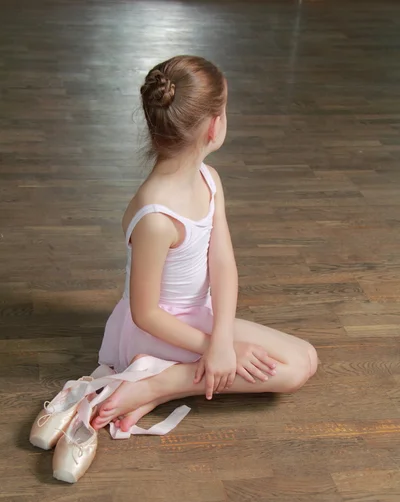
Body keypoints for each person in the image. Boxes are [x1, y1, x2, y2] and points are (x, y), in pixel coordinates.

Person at [92, 55, 318, 433]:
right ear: (215, 127)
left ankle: (160, 390)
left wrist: (223, 340)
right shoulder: (156, 217)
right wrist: (211, 346)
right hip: (155, 331)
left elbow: (223, 266)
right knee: (294, 370)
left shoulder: (209, 179)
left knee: (308, 356)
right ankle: (158, 382)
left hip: (198, 317)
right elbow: (145, 313)